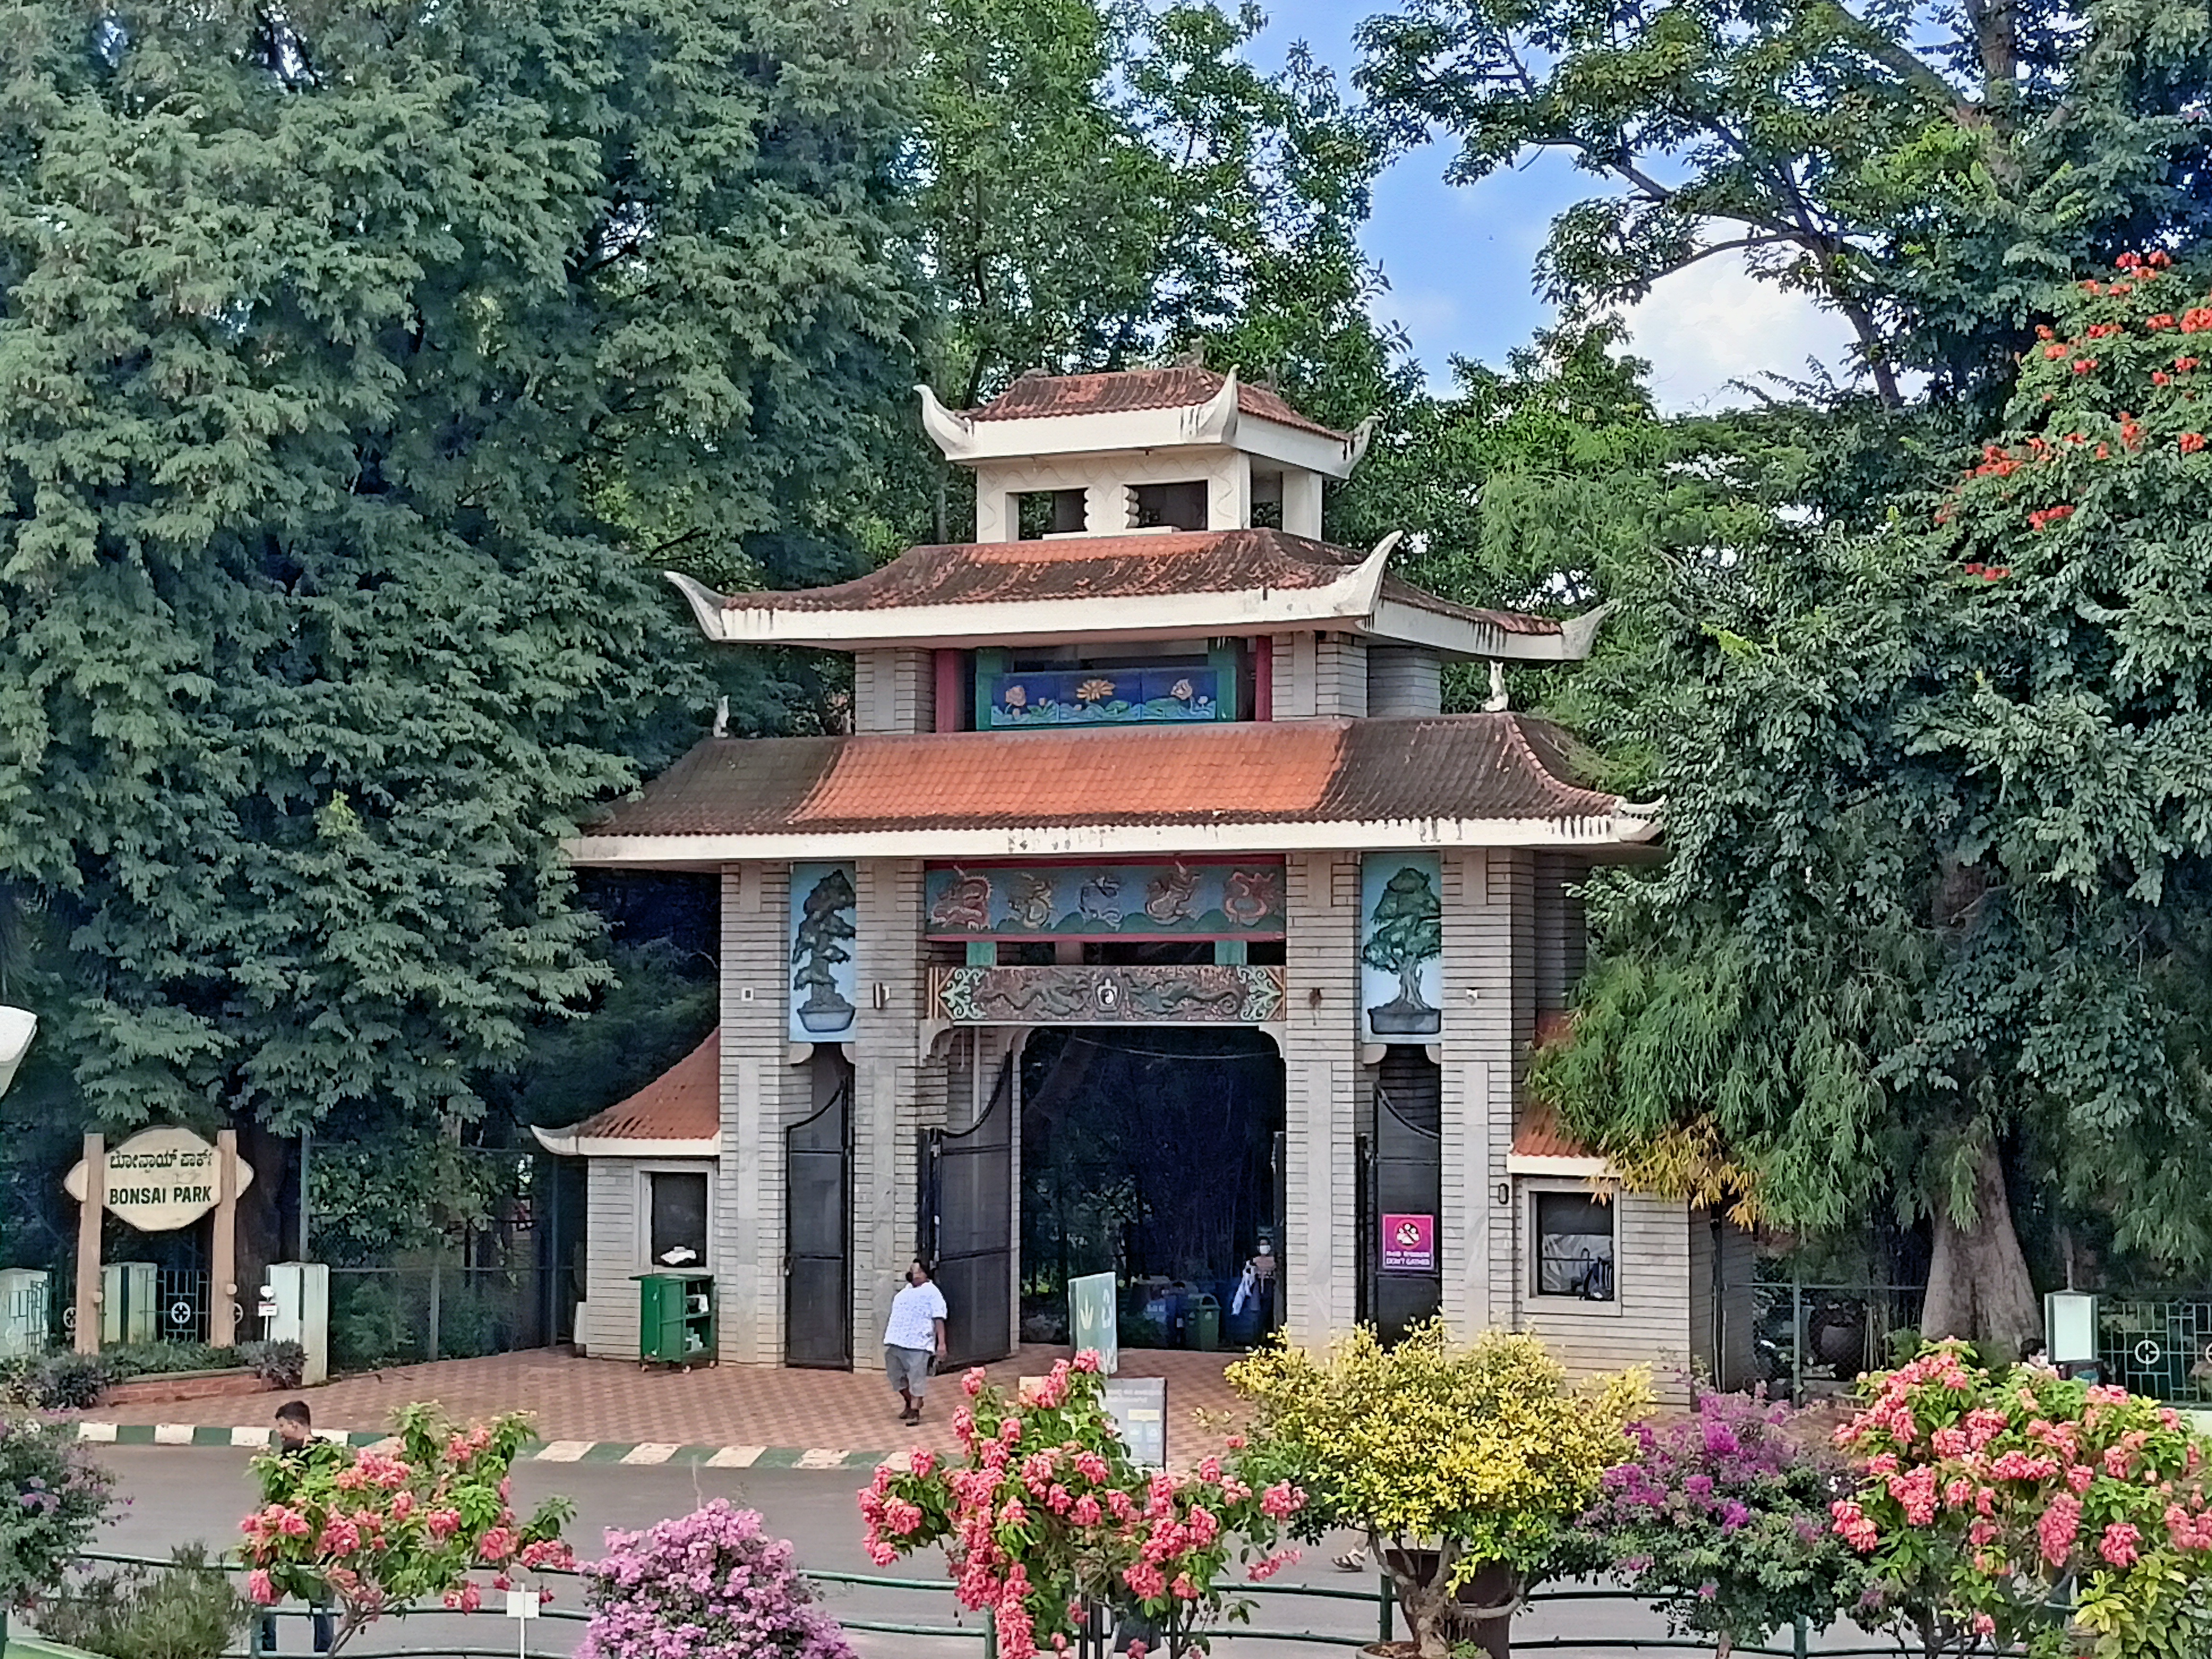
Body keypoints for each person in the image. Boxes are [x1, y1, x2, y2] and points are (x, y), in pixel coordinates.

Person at [258, 1401, 337, 1654]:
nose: (279, 1432)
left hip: (316, 1544)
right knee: (267, 1599)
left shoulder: (324, 1454)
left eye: (282, 1426)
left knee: (322, 1607)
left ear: (295, 1424)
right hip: (284, 1542)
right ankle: (267, 1651)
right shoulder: (286, 1455)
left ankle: (322, 1653)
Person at [883, 1259, 948, 1426]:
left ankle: (915, 1411)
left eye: (920, 1271)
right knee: (895, 1375)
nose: (916, 1275)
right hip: (897, 1340)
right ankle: (910, 1401)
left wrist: (941, 1344)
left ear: (927, 1274)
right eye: (913, 1271)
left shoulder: (933, 1293)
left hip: (919, 1343)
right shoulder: (903, 1293)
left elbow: (939, 1318)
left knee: (917, 1378)